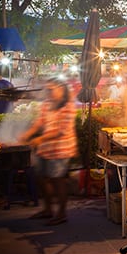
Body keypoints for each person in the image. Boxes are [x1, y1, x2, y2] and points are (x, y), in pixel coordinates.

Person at [20, 77, 78, 226]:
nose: (49, 93)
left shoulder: (69, 107)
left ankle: (61, 213)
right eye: (47, 90)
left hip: (61, 148)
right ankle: (47, 209)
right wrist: (27, 134)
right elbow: (39, 123)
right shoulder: (47, 105)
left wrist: (40, 139)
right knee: (40, 177)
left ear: (61, 89)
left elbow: (61, 131)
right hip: (46, 148)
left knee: (57, 180)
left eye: (51, 90)